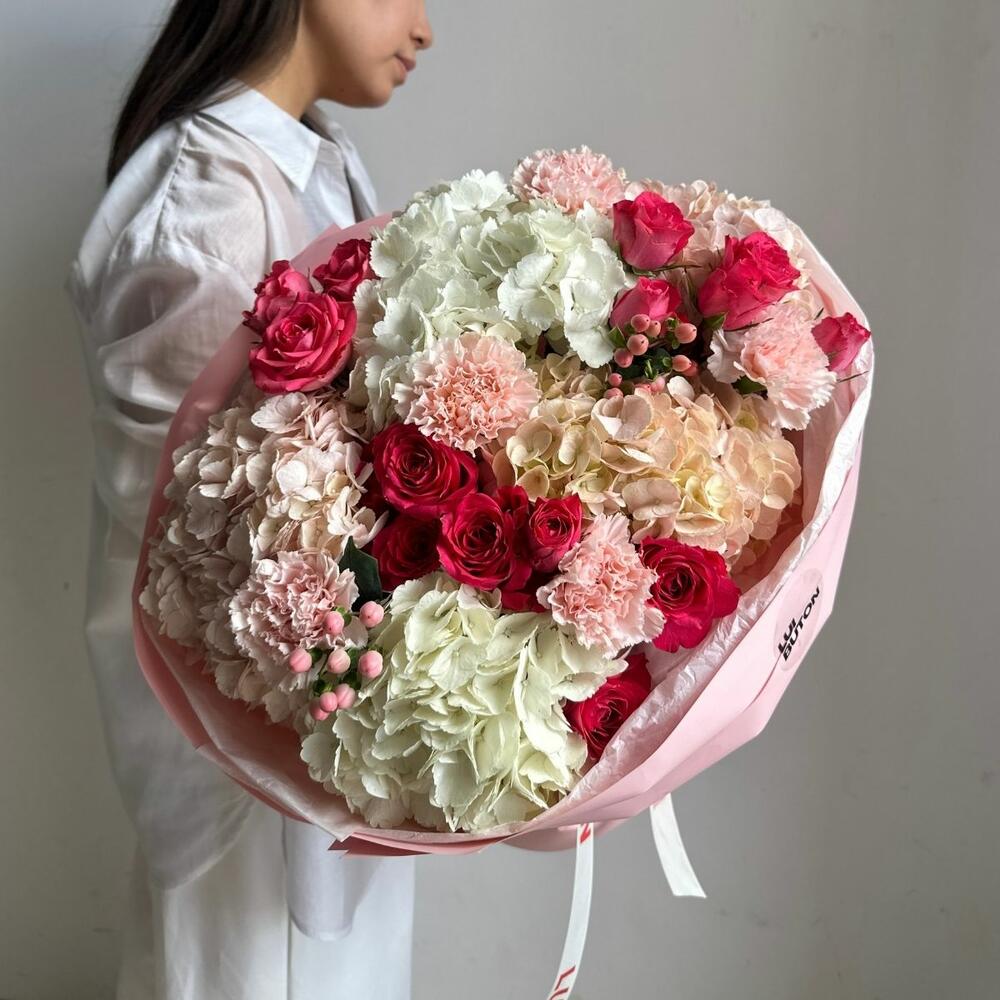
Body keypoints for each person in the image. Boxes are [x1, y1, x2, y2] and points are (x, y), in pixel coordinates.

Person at [66, 2, 433, 997]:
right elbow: (192, 535)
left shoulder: (315, 158)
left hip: (329, 705)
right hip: (246, 735)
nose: (423, 28)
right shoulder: (208, 201)